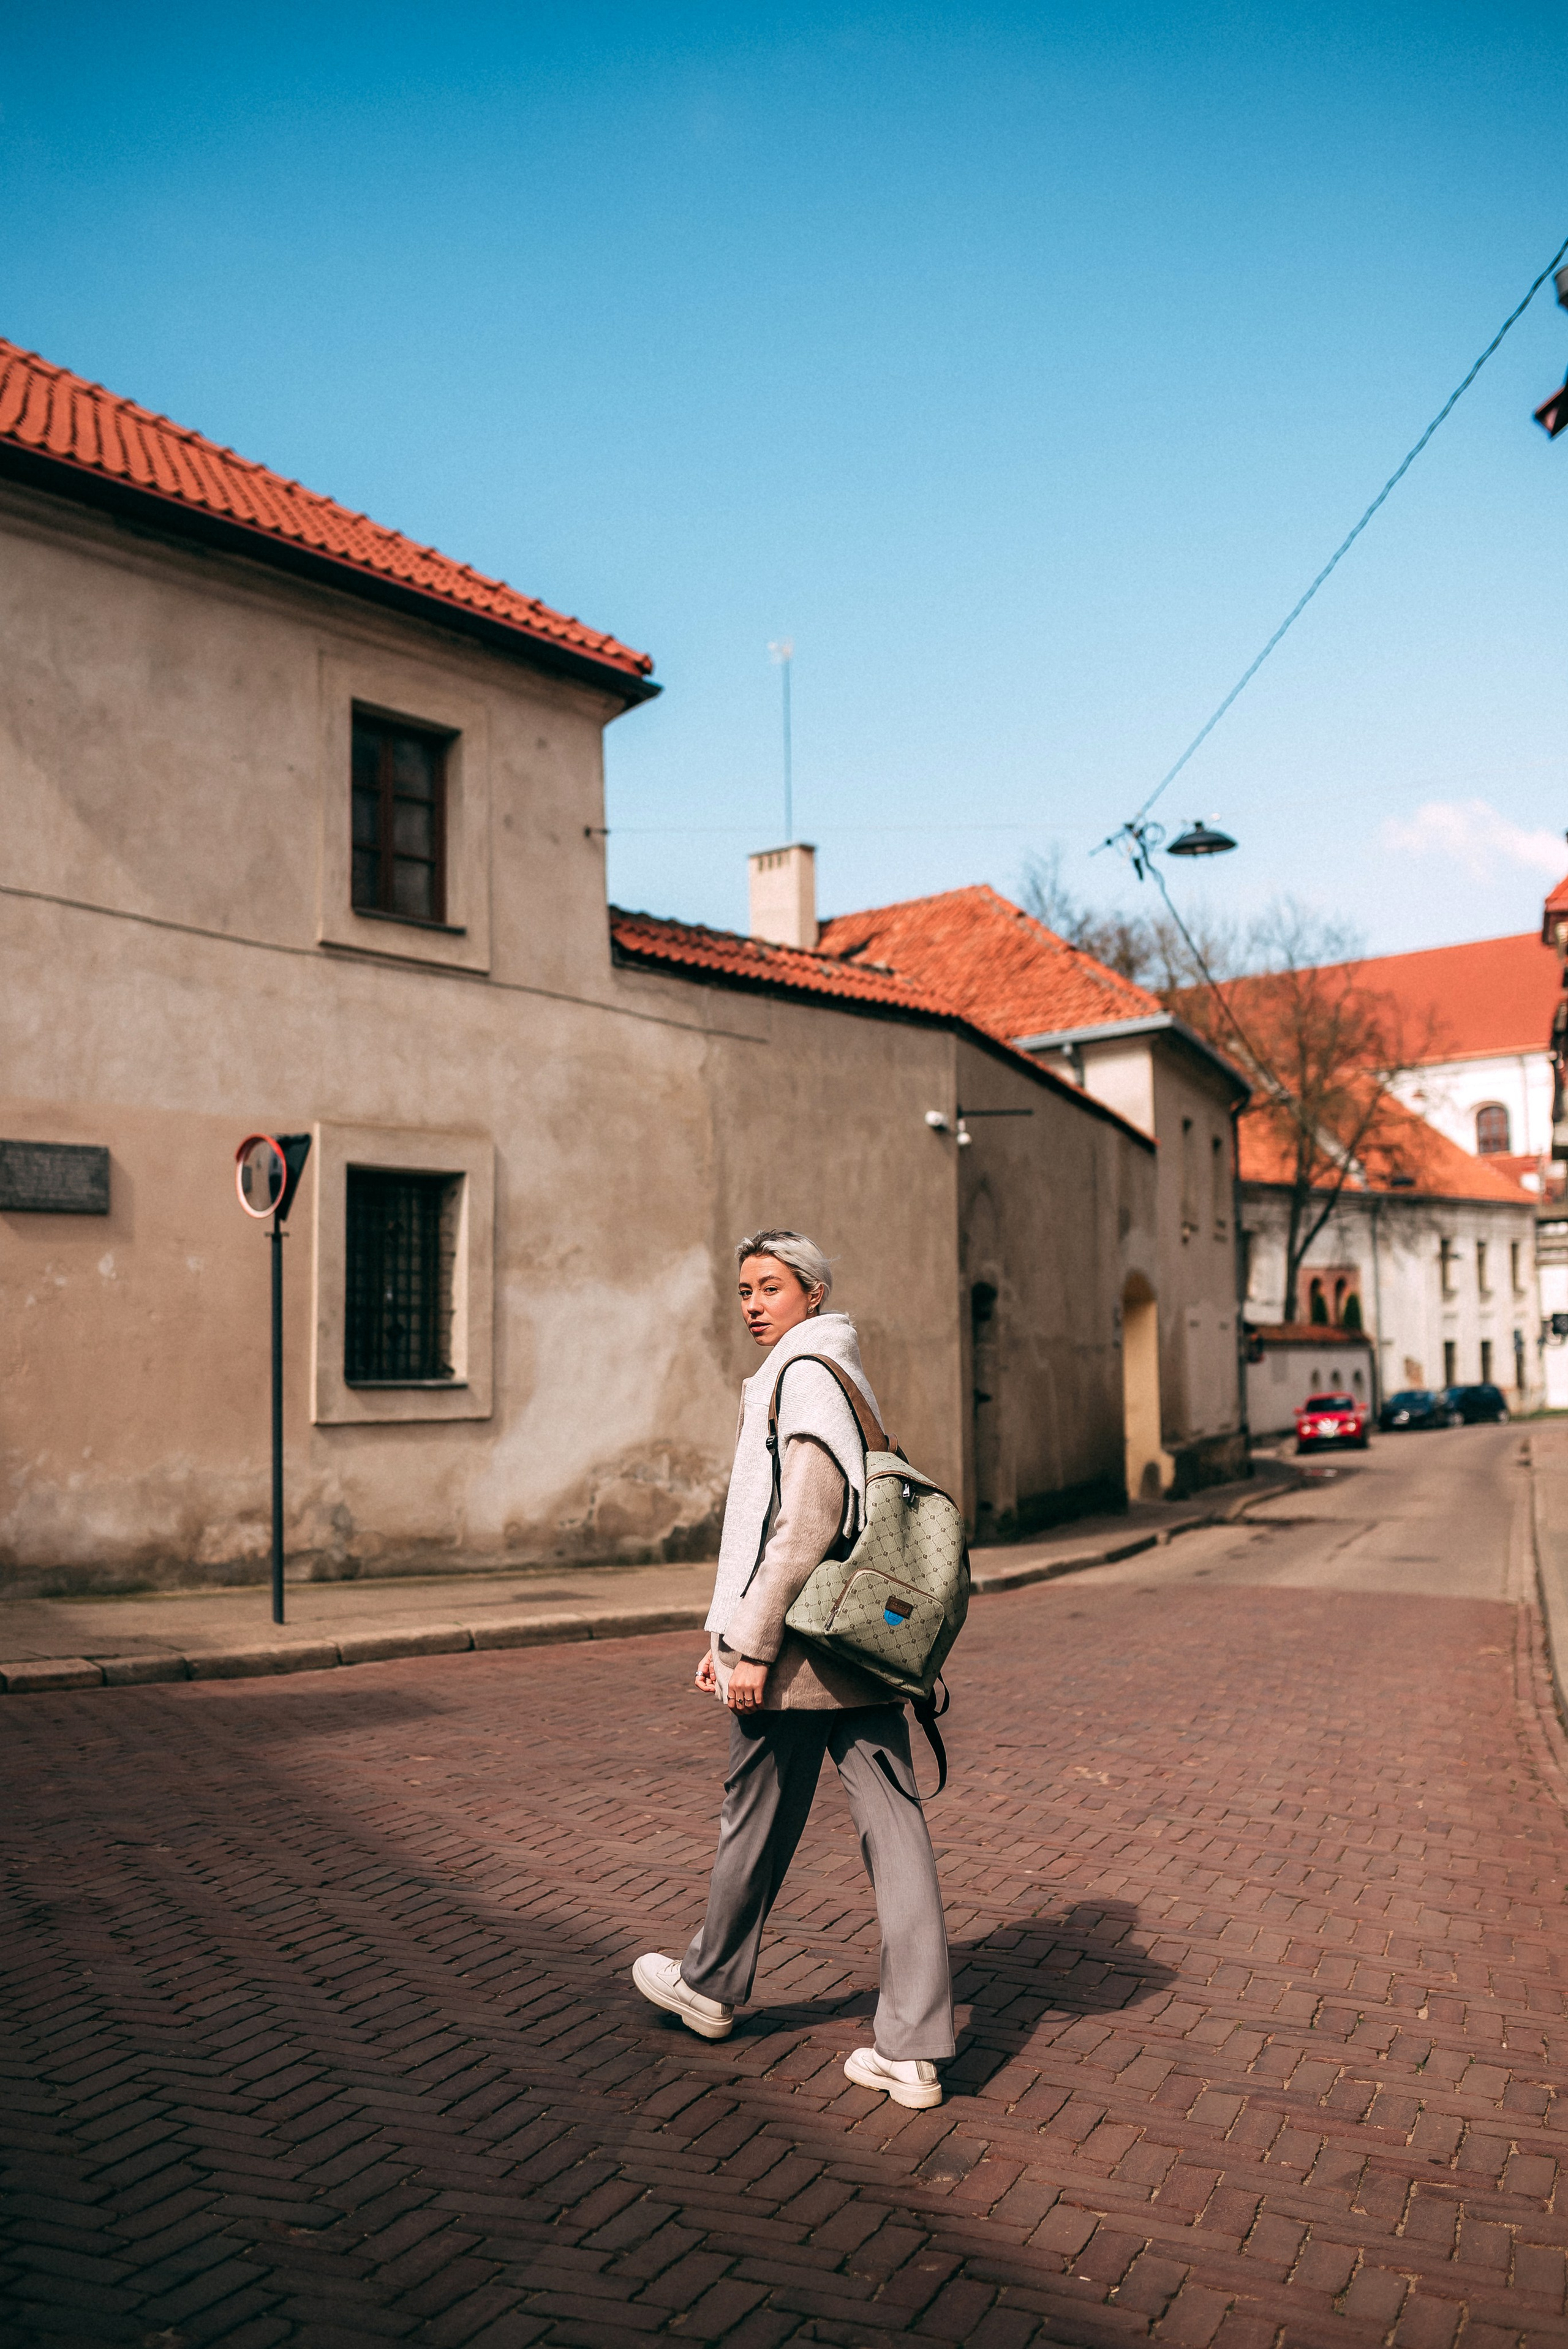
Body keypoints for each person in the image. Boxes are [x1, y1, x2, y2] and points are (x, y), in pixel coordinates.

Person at [631, 1229, 954, 2109]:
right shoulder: (841, 1374)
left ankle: (709, 1986)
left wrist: (747, 1644)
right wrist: (725, 1637)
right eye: (744, 1290)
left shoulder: (805, 1376)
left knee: (754, 1816)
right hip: (858, 1651)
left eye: (769, 1287)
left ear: (812, 1293)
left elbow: (804, 1524)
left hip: (802, 1647)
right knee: (892, 1834)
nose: (751, 1304)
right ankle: (913, 2048)